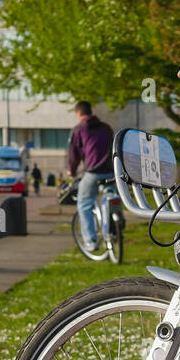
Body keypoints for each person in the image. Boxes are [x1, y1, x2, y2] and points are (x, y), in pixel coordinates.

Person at [66, 101, 114, 252]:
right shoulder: (106, 127)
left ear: (79, 113)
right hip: (111, 173)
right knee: (112, 198)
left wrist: (71, 171)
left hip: (93, 173)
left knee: (84, 204)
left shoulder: (79, 129)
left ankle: (91, 241)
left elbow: (74, 155)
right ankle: (116, 225)